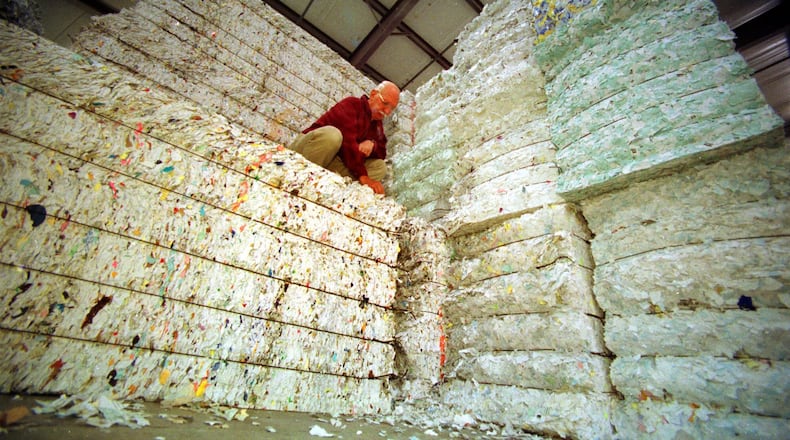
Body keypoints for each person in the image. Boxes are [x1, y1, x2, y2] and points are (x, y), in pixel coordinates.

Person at [289, 81, 400, 195]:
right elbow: (348, 142)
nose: (387, 111)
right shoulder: (352, 104)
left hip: (335, 163)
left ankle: (336, 193)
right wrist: (363, 176)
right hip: (310, 152)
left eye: (391, 109)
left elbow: (382, 151)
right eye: (385, 103)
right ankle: (299, 178)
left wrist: (373, 145)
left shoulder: (377, 126)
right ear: (373, 94)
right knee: (332, 135)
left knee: (380, 167)